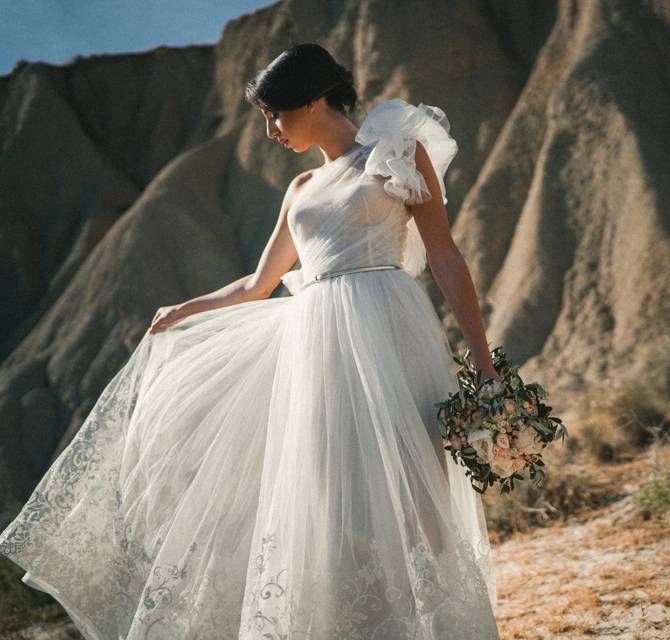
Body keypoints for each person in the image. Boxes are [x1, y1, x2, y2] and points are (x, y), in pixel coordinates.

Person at [0, 42, 503, 639]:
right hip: (316, 345)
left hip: (389, 328)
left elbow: (444, 255)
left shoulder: (395, 153)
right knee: (328, 495)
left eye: (276, 114)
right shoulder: (301, 188)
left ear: (314, 100)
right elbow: (261, 283)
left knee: (416, 492)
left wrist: (483, 360)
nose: (270, 130)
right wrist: (187, 308)